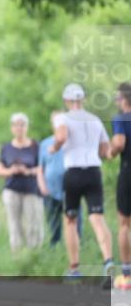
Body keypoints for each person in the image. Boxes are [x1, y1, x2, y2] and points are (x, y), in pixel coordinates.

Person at [49, 83, 113, 282]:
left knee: (70, 220)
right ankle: (108, 262)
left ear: (67, 101)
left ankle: (74, 267)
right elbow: (105, 152)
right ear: (83, 99)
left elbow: (61, 135)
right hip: (93, 171)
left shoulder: (62, 117)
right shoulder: (95, 120)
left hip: (74, 172)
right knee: (97, 218)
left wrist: (55, 147)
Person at [0, 113, 44, 251]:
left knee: (33, 224)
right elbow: (0, 169)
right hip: (12, 189)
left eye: (22, 125)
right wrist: (11, 170)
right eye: (16, 125)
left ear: (27, 127)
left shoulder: (36, 146)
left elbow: (43, 168)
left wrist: (28, 171)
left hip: (32, 189)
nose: (19, 128)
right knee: (14, 224)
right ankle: (17, 255)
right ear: (12, 128)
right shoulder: (6, 148)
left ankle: (34, 253)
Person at [38, 113, 83, 247]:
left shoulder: (74, 142)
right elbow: (40, 168)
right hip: (51, 188)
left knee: (75, 218)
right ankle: (55, 246)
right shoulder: (45, 143)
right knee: (53, 220)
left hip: (71, 187)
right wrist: (42, 186)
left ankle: (78, 245)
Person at [109, 82, 131, 290]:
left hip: (128, 171)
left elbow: (119, 143)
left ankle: (127, 274)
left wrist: (110, 152)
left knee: (124, 223)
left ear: (124, 99)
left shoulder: (121, 119)